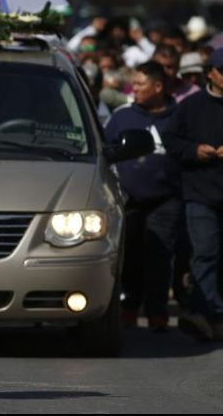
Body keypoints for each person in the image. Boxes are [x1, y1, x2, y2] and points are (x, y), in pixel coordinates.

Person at [105, 61, 181, 332]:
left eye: (140, 84)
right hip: (129, 199)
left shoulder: (178, 116)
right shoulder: (122, 117)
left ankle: (157, 311)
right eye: (132, 83)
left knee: (159, 255)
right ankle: (129, 306)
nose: (133, 89)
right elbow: (106, 150)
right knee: (132, 254)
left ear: (158, 86)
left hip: (166, 198)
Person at [163, 48, 223, 341]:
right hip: (200, 193)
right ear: (210, 73)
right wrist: (195, 150)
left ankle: (205, 312)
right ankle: (209, 311)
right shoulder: (191, 105)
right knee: (206, 253)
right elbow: (171, 139)